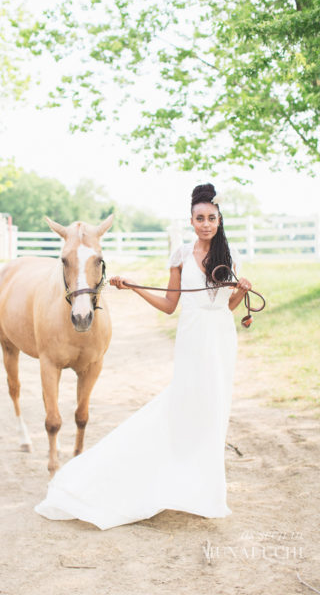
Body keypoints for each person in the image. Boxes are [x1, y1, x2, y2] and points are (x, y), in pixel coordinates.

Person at [34, 183, 252, 530]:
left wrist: (240, 293)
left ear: (219, 219)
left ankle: (205, 491)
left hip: (221, 338)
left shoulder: (230, 255)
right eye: (200, 218)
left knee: (215, 409)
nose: (206, 224)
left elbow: (226, 307)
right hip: (192, 336)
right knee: (185, 404)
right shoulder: (181, 255)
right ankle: (157, 479)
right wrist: (135, 286)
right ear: (191, 220)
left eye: (212, 217)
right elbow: (169, 306)